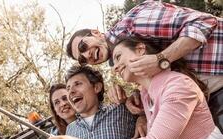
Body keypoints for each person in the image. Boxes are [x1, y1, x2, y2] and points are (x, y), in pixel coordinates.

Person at [48, 38, 223, 139]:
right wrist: (140, 114)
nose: (115, 67)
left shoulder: (177, 85)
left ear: (140, 49)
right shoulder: (146, 98)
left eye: (118, 57)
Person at [66, 0, 223, 132]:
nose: (87, 55)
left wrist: (161, 59)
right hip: (209, 97)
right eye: (82, 59)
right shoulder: (120, 60)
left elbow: (205, 22)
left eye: (82, 46)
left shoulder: (133, 23)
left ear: (95, 33)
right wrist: (137, 99)